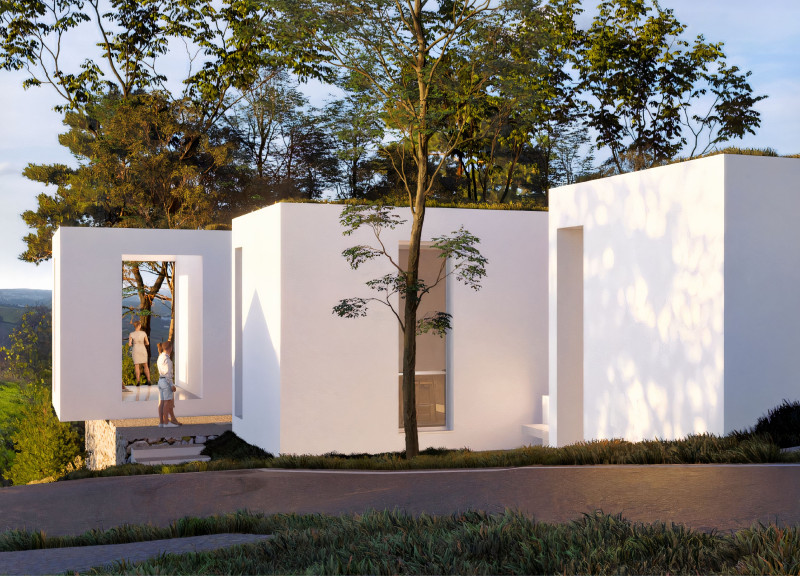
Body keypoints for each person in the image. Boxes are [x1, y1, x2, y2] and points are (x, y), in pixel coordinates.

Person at [157, 341, 181, 427]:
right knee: (167, 403)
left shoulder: (160, 357)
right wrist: (171, 385)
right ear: (170, 348)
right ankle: (166, 423)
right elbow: (168, 374)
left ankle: (161, 422)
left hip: (160, 381)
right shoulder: (168, 360)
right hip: (166, 382)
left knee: (162, 403)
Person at [127, 321, 151, 388]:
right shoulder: (143, 333)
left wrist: (132, 343)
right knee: (145, 365)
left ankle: (138, 382)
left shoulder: (131, 334)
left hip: (136, 349)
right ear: (139, 325)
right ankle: (149, 380)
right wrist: (144, 344)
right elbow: (147, 343)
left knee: (136, 366)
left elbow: (129, 344)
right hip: (142, 349)